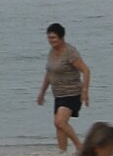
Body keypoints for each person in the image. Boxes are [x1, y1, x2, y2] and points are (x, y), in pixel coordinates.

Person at [37, 22, 91, 153]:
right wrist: (42, 93)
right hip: (59, 94)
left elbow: (86, 71)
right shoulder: (52, 52)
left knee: (60, 122)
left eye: (54, 38)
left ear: (61, 38)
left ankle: (81, 147)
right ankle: (62, 151)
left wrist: (85, 92)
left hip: (72, 93)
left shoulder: (70, 52)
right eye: (49, 38)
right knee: (59, 126)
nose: (51, 41)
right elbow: (49, 73)